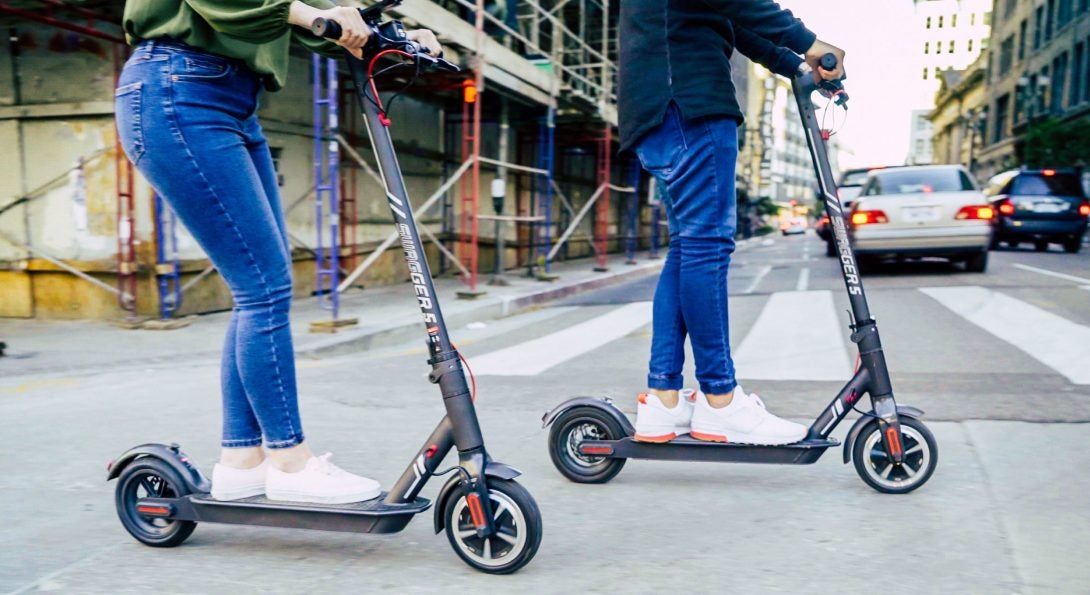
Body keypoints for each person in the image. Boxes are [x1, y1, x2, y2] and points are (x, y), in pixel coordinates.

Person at [115, 1, 441, 503]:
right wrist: (310, 15)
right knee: (263, 286)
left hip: (231, 99)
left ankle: (240, 461)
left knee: (258, 287)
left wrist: (388, 32)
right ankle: (290, 463)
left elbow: (304, 16)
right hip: (178, 89)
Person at [618, 0, 845, 444]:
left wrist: (794, 63)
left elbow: (722, 18)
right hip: (687, 99)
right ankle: (719, 399)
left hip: (663, 102)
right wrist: (808, 42)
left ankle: (663, 397)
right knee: (706, 246)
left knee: (689, 247)